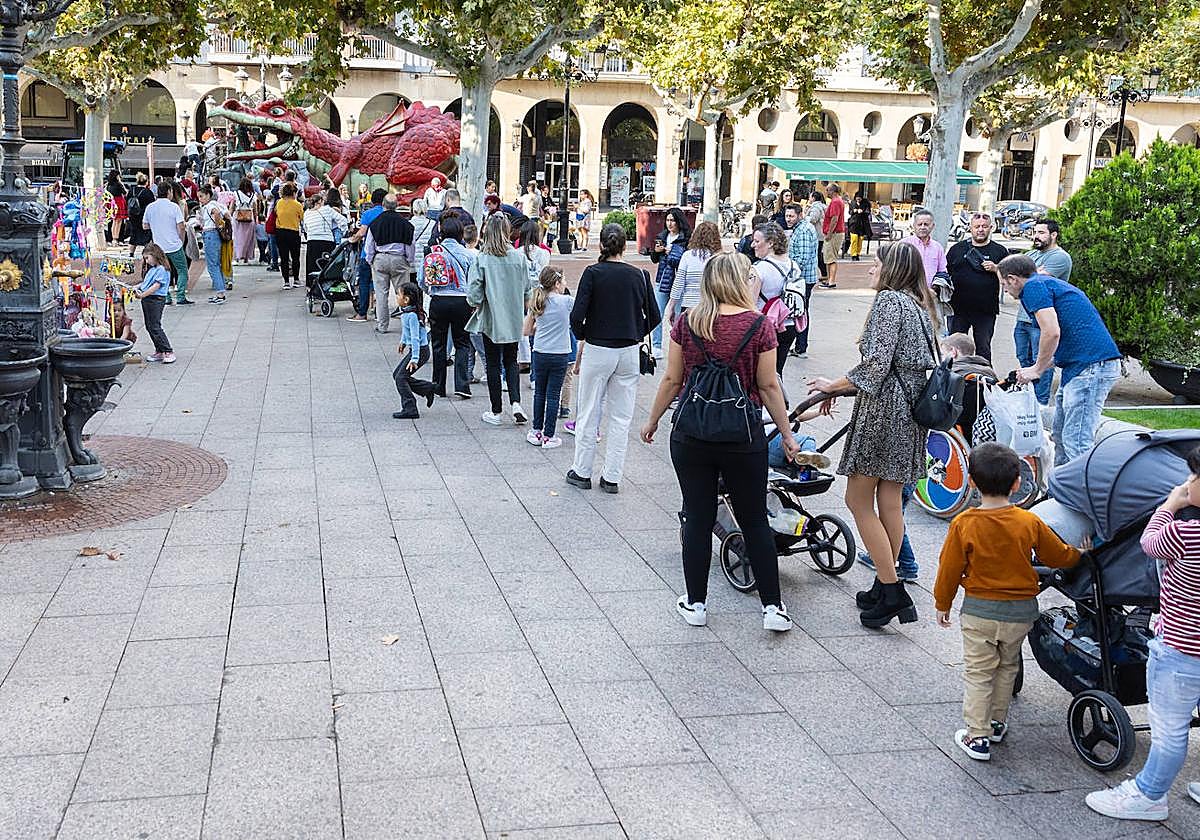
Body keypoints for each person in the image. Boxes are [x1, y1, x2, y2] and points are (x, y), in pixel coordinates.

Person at [640, 251, 802, 632]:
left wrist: (652, 420)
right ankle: (773, 608)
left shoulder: (687, 322)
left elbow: (672, 380)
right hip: (742, 436)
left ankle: (695, 603)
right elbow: (767, 384)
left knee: (697, 516)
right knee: (753, 519)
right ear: (740, 281)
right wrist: (788, 434)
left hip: (692, 433)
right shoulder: (759, 326)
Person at [808, 242, 938, 628]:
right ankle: (886, 584)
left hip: (885, 412)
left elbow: (876, 365)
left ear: (892, 269)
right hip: (911, 413)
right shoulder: (920, 306)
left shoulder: (889, 303)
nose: (869, 270)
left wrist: (832, 386)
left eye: (876, 264)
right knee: (891, 500)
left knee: (857, 499)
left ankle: (892, 589)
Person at [934, 442, 1082, 761]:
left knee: (979, 672)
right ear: (1017, 483)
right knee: (1007, 667)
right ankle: (998, 723)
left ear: (971, 481)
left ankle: (977, 736)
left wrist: (942, 602)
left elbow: (949, 568)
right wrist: (1081, 554)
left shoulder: (965, 524)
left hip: (979, 613)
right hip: (1020, 613)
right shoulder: (1028, 522)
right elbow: (1058, 555)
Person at [1086, 449, 1200, 821]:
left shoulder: (1184, 533)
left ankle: (1149, 796)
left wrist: (1170, 504)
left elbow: (1149, 542)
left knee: (1169, 731)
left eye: (1194, 478)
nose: (1188, 483)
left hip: (1180, 652)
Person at [1000, 253, 1121, 466]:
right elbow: (1059, 343)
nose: (1005, 290)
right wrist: (1033, 368)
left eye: (1004, 284)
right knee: (1060, 436)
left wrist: (1037, 369)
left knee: (1076, 440)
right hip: (1082, 367)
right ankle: (1061, 491)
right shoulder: (1044, 284)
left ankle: (1084, 496)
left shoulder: (1033, 288)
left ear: (1013, 279)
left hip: (1092, 368)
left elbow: (1051, 332)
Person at [566, 223, 659, 493]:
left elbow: (576, 316)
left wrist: (585, 334)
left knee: (588, 410)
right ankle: (612, 477)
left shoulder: (593, 273)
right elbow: (654, 315)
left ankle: (582, 470)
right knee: (621, 416)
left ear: (601, 245)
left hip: (599, 347)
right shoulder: (639, 276)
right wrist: (634, 331)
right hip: (629, 349)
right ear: (624, 246)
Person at [466, 214, 530, 426]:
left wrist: (478, 301)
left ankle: (496, 410)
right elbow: (527, 289)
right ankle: (516, 403)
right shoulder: (519, 258)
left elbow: (473, 294)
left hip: (491, 316)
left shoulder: (482, 259)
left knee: (493, 364)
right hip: (513, 316)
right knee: (511, 360)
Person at [1019, 219, 1073, 406]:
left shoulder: (1060, 257)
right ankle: (1028, 402)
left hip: (1042, 321)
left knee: (1042, 362)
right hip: (1023, 319)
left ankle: (1040, 404)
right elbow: (1020, 277)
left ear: (1053, 235)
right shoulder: (1032, 254)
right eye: (1035, 232)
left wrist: (1028, 275)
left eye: (1041, 232)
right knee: (1024, 360)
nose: (1036, 236)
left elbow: (1036, 280)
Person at [426, 214, 477, 400]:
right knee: (462, 343)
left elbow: (425, 280)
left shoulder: (433, 252)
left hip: (438, 300)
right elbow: (473, 281)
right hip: (461, 301)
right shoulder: (467, 254)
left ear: (441, 230)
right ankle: (462, 385)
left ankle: (438, 385)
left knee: (438, 344)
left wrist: (431, 291)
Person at [946, 211, 1008, 362]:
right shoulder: (957, 249)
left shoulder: (999, 251)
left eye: (984, 226)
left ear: (991, 228)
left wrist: (996, 268)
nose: (980, 229)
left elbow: (1009, 278)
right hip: (958, 309)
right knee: (954, 348)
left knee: (983, 348)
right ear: (970, 228)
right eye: (977, 226)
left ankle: (982, 380)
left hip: (985, 311)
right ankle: (953, 380)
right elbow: (944, 273)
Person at [523, 266, 572, 448]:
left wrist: (540, 328)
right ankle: (549, 435)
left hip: (540, 351)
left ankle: (536, 430)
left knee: (539, 393)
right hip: (560, 353)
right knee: (553, 395)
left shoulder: (537, 301)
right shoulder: (567, 302)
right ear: (557, 283)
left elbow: (526, 330)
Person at [749, 222, 802, 374]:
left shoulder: (759, 269)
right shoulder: (793, 266)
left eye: (757, 241)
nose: (753, 245)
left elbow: (750, 304)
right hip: (790, 325)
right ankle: (780, 397)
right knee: (777, 372)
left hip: (765, 326)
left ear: (771, 243)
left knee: (761, 375)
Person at [364, 194, 414, 333]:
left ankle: (382, 325)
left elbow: (369, 245)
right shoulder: (406, 224)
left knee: (381, 294)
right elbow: (410, 245)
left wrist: (370, 260)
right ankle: (407, 326)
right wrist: (409, 260)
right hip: (399, 259)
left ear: (383, 205)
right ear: (396, 205)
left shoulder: (375, 223)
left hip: (380, 258)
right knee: (404, 294)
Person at [142, 182, 192, 306]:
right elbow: (181, 226)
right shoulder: (173, 207)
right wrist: (180, 240)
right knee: (182, 270)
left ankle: (166, 297)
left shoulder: (150, 207)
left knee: (163, 270)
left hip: (158, 246)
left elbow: (145, 225)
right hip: (174, 245)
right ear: (169, 192)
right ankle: (180, 296)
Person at [664, 220, 721, 328]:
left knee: (689, 342)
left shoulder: (688, 256)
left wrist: (671, 306)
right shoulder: (719, 257)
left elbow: (679, 283)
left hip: (689, 307)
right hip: (712, 308)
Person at [392, 282, 436, 419]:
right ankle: (427, 388)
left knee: (400, 378)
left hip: (420, 351)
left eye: (398, 294)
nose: (396, 297)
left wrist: (414, 359)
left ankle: (410, 408)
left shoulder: (412, 315)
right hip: (416, 350)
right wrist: (403, 342)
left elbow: (416, 338)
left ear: (406, 299)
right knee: (397, 375)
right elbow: (407, 332)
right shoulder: (406, 312)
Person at [649, 208, 690, 355]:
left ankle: (678, 346)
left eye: (673, 220)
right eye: (667, 220)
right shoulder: (662, 236)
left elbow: (685, 261)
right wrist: (657, 251)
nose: (670, 224)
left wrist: (671, 252)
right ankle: (657, 345)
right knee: (657, 312)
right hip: (663, 279)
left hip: (679, 280)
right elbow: (654, 259)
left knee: (679, 315)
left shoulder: (686, 238)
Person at [347, 188, 386, 322]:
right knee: (381, 285)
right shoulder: (387, 213)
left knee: (364, 282)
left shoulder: (368, 214)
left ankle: (362, 313)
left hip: (367, 253)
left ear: (372, 200)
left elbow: (362, 233)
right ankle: (378, 313)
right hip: (384, 253)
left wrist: (352, 239)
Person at [787, 204, 820, 358]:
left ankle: (801, 346)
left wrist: (789, 272)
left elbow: (803, 258)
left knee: (800, 311)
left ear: (799, 215)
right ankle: (799, 345)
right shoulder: (799, 228)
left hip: (803, 279)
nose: (788, 219)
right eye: (787, 216)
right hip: (801, 278)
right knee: (799, 311)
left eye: (791, 216)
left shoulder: (804, 230)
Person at [133, 244, 176, 364]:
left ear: (155, 255)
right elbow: (145, 283)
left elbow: (156, 286)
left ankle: (168, 350)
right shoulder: (152, 270)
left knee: (155, 326)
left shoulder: (162, 269)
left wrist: (143, 294)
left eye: (147, 258)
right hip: (148, 299)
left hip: (155, 299)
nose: (146, 261)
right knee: (149, 326)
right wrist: (134, 288)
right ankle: (159, 350)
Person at [301, 193, 347, 293]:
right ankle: (328, 286)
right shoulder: (327, 209)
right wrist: (344, 231)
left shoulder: (306, 213)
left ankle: (312, 288)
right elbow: (343, 220)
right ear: (320, 202)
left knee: (312, 266)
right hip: (327, 241)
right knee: (328, 266)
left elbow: (305, 228)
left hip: (312, 242)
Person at [195, 185, 232, 304]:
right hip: (215, 235)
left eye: (201, 196)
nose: (200, 199)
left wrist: (217, 225)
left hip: (210, 234)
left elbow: (216, 213)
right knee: (216, 263)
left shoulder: (210, 206)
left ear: (208, 195)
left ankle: (220, 293)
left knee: (212, 265)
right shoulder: (217, 204)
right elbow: (227, 215)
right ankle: (220, 292)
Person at [899, 209, 947, 286]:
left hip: (931, 292)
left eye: (926, 224)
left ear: (933, 226)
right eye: (919, 224)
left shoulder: (937, 248)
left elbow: (942, 272)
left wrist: (935, 288)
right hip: (908, 291)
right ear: (914, 225)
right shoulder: (903, 244)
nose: (922, 227)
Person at [273, 183, 304, 290]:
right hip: (293, 232)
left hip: (280, 232)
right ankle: (296, 279)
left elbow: (276, 213)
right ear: (293, 193)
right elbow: (301, 217)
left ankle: (286, 282)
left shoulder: (279, 203)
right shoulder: (297, 205)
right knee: (296, 257)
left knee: (284, 257)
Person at [822, 184, 846, 289]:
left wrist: (829, 233)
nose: (826, 192)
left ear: (833, 191)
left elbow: (834, 219)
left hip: (834, 233)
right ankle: (829, 279)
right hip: (835, 233)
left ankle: (831, 280)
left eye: (828, 190)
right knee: (828, 257)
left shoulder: (836, 202)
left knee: (831, 258)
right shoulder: (838, 201)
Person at [126, 173, 154, 258]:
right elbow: (151, 205)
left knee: (133, 234)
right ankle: (145, 253)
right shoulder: (148, 192)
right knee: (146, 235)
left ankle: (131, 253)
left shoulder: (132, 190)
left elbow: (127, 201)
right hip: (143, 216)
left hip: (133, 216)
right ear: (146, 182)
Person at [231, 177, 258, 264]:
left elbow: (232, 207)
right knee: (249, 239)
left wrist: (229, 217)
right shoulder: (253, 195)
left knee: (237, 238)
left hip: (238, 218)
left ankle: (237, 258)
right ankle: (247, 257)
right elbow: (255, 209)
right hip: (250, 219)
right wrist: (256, 219)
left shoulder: (236, 194)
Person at [806, 189, 829, 285]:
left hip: (816, 233)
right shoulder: (824, 206)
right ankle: (824, 273)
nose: (809, 198)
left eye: (810, 197)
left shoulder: (815, 207)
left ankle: (824, 273)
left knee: (817, 254)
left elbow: (813, 219)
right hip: (822, 233)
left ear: (813, 198)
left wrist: (805, 216)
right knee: (819, 254)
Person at [847, 192, 873, 261]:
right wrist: (854, 211)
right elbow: (849, 212)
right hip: (854, 224)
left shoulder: (865, 203)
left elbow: (868, 212)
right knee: (854, 239)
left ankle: (858, 253)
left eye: (859, 199)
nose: (858, 200)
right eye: (857, 199)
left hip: (862, 224)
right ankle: (853, 254)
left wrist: (863, 211)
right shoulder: (852, 203)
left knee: (860, 239)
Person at [107, 169, 127, 244]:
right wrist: (121, 183)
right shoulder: (118, 184)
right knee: (118, 222)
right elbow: (125, 192)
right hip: (119, 202)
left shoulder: (108, 184)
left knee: (114, 221)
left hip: (112, 202)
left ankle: (113, 239)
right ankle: (116, 238)